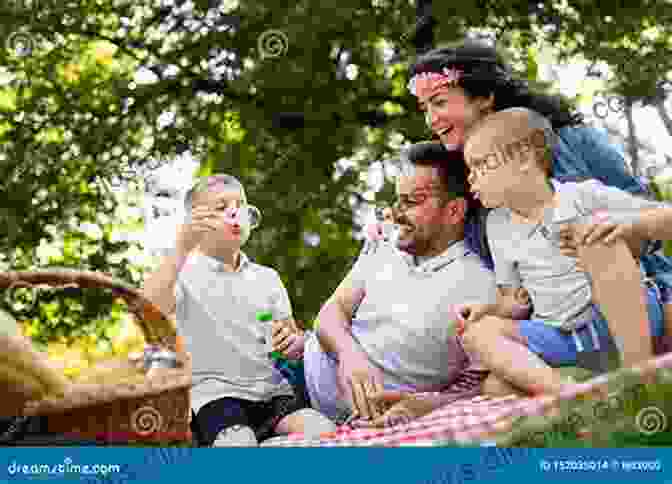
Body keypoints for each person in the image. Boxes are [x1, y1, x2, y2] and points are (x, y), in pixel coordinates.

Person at [407, 39, 672, 330]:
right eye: (424, 108)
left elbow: (653, 222)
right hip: (559, 326)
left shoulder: (574, 141)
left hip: (640, 296)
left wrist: (623, 235)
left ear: (484, 96)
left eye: (440, 102)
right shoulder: (464, 189)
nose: (431, 119)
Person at [458, 107, 672, 395]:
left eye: (480, 165)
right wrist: (490, 309)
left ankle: (638, 379)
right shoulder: (497, 225)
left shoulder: (583, 196)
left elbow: (665, 217)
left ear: (523, 159)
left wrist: (629, 226)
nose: (471, 178)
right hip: (562, 336)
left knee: (595, 238)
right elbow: (515, 301)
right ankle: (571, 393)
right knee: (481, 343)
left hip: (623, 320)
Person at [303, 142, 499, 426]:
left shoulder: (481, 286)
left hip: (342, 418)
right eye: (398, 200)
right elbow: (331, 313)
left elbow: (487, 381)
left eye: (412, 201)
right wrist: (349, 355)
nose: (397, 213)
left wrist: (430, 405)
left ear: (454, 211)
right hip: (296, 374)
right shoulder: (384, 247)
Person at [142, 174, 335, 446]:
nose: (234, 211)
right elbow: (147, 306)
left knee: (323, 430)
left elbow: (288, 340)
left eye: (240, 204)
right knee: (239, 443)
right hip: (215, 396)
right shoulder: (183, 273)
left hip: (271, 392)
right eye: (221, 208)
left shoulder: (267, 278)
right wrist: (181, 247)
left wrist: (293, 343)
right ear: (196, 223)